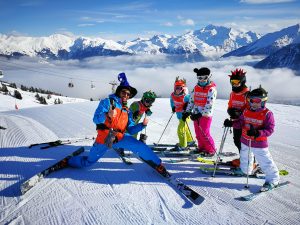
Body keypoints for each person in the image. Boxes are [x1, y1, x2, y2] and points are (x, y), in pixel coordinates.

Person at [67, 73, 169, 177]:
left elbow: (130, 130)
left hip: (120, 138)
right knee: (89, 162)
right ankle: (69, 161)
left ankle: (157, 164)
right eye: (124, 92)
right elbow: (96, 119)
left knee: (140, 146)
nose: (126, 95)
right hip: (104, 139)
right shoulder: (108, 102)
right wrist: (107, 115)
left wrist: (142, 125)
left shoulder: (126, 110)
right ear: (119, 92)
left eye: (128, 94)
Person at [224, 86, 280, 191]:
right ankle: (246, 171)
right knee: (245, 158)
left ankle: (273, 180)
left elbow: (270, 129)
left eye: (257, 101)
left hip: (259, 143)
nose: (254, 103)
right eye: (251, 100)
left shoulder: (267, 114)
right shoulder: (246, 111)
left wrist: (258, 133)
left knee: (265, 161)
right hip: (245, 140)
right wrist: (232, 123)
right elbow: (240, 123)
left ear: (263, 101)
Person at [182, 67, 217, 156]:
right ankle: (201, 148)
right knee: (198, 133)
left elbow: (210, 104)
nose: (201, 80)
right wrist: (187, 111)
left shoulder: (211, 89)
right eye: (199, 78)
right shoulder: (196, 88)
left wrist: (200, 114)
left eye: (204, 78)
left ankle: (211, 150)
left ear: (208, 77)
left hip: (205, 115)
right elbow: (191, 101)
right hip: (195, 114)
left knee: (204, 133)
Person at [223, 68, 249, 167]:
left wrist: (239, 113)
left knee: (245, 142)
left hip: (245, 123)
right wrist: (230, 111)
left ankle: (249, 162)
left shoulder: (247, 94)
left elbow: (250, 109)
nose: (234, 84)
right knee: (237, 140)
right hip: (235, 121)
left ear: (242, 81)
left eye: (237, 82)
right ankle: (243, 159)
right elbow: (230, 104)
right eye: (232, 82)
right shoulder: (233, 93)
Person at [170, 76, 194, 151]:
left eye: (180, 88)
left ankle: (183, 145)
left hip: (186, 115)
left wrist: (187, 108)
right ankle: (190, 141)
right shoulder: (173, 95)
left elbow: (192, 103)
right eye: (176, 88)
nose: (178, 90)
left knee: (181, 129)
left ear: (183, 88)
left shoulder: (186, 96)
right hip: (179, 114)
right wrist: (173, 107)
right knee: (185, 128)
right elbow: (172, 101)